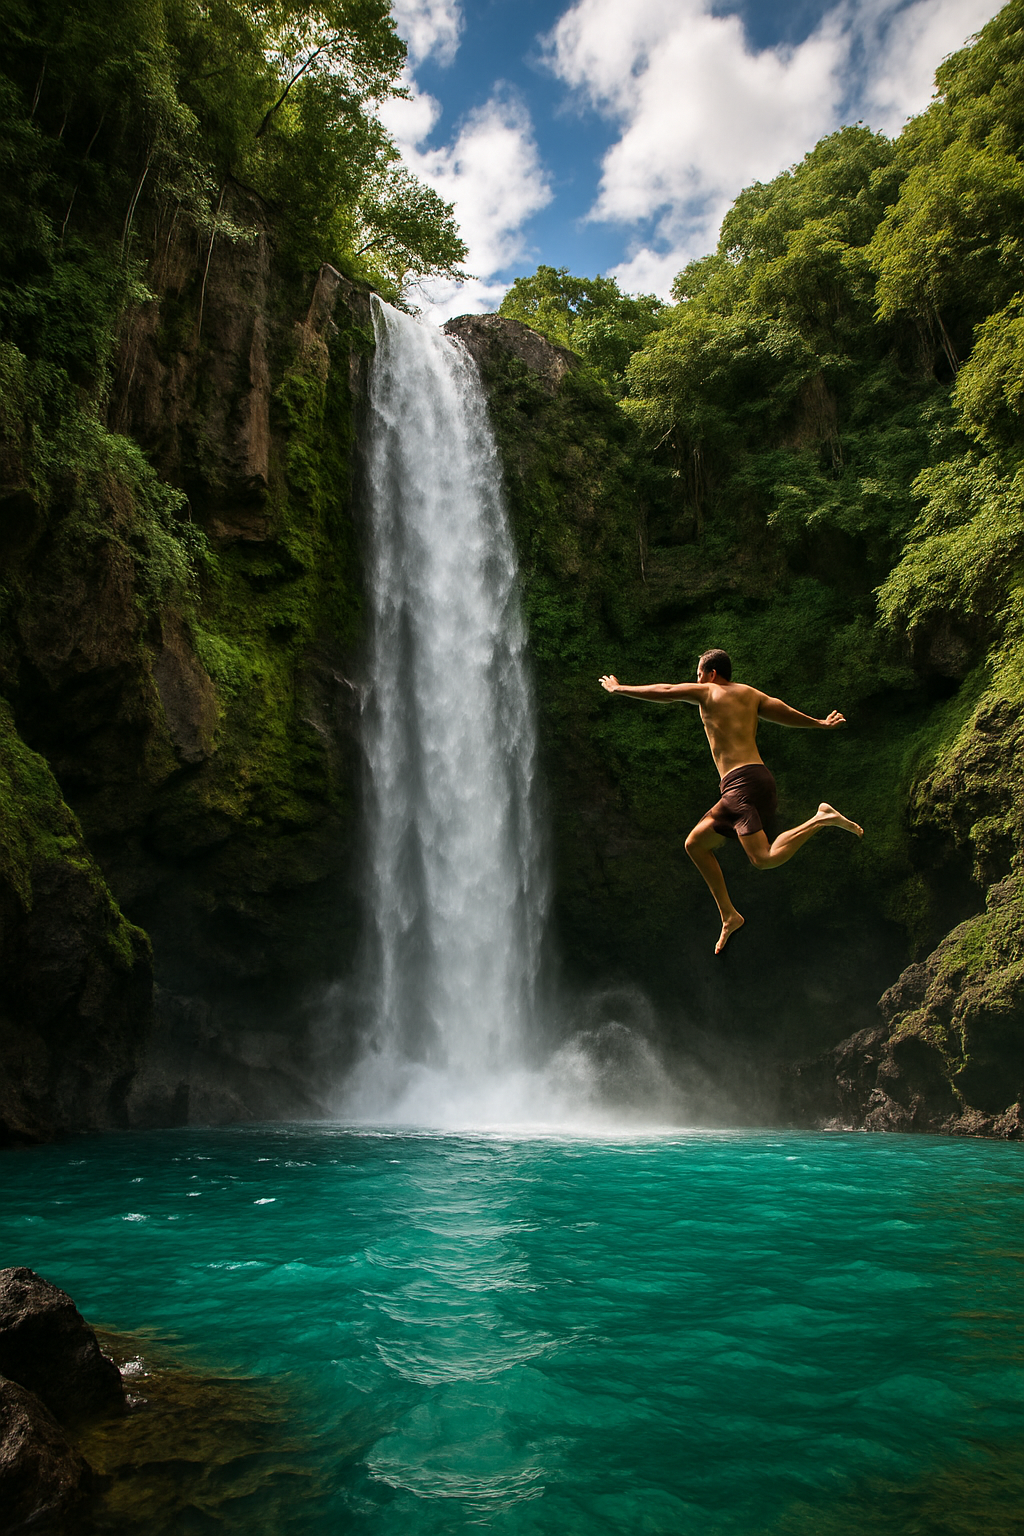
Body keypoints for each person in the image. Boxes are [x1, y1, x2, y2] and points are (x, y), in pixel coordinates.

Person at [599, 649, 863, 954]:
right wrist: (819, 723)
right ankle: (728, 915)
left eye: (698, 673)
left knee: (762, 858)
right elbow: (783, 712)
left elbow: (668, 691)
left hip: (739, 785)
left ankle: (820, 818)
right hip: (760, 779)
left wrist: (619, 688)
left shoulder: (708, 692)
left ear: (711, 673)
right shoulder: (751, 695)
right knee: (696, 844)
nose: (696, 679)